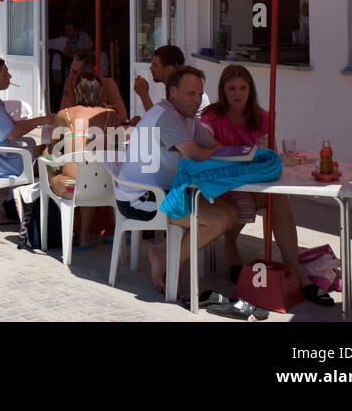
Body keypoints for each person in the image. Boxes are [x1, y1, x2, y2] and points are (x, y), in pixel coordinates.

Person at [200, 65, 334, 306]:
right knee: (240, 203)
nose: (237, 93)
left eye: (243, 88)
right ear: (222, 90)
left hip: (256, 183)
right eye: (231, 88)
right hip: (225, 185)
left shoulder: (262, 118)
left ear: (251, 90)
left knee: (279, 198)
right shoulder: (212, 116)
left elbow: (267, 152)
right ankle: (231, 252)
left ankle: (297, 272)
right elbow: (204, 143)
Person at [113, 66, 238, 294]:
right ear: (173, 93)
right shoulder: (167, 116)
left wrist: (216, 153)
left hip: (166, 192)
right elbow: (196, 154)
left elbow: (212, 145)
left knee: (232, 212)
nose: (198, 100)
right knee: (219, 219)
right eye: (191, 94)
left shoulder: (187, 117)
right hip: (140, 198)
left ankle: (164, 253)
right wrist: (221, 155)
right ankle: (167, 259)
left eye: (200, 94)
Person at [0, 57, 55, 224]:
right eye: (5, 74)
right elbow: (12, 133)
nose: (9, 77)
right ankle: (37, 209)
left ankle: (17, 199)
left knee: (47, 150)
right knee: (51, 155)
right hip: (6, 161)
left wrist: (40, 119)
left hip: (6, 155)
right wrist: (42, 120)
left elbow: (12, 127)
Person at [48, 74, 121, 248]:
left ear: (76, 91)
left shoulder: (64, 114)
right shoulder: (111, 115)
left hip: (73, 186)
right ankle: (86, 236)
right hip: (104, 185)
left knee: (48, 161)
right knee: (91, 173)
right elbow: (116, 145)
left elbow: (54, 147)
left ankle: (67, 229)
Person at [60, 51, 129, 123]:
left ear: (90, 73)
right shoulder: (70, 83)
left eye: (75, 73)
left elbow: (122, 117)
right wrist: (105, 111)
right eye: (70, 71)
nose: (70, 76)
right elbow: (65, 117)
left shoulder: (108, 84)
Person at [132, 44, 185, 115]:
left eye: (155, 65)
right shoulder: (174, 89)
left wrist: (144, 95)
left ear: (169, 69)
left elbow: (160, 122)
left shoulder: (181, 93)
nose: (151, 68)